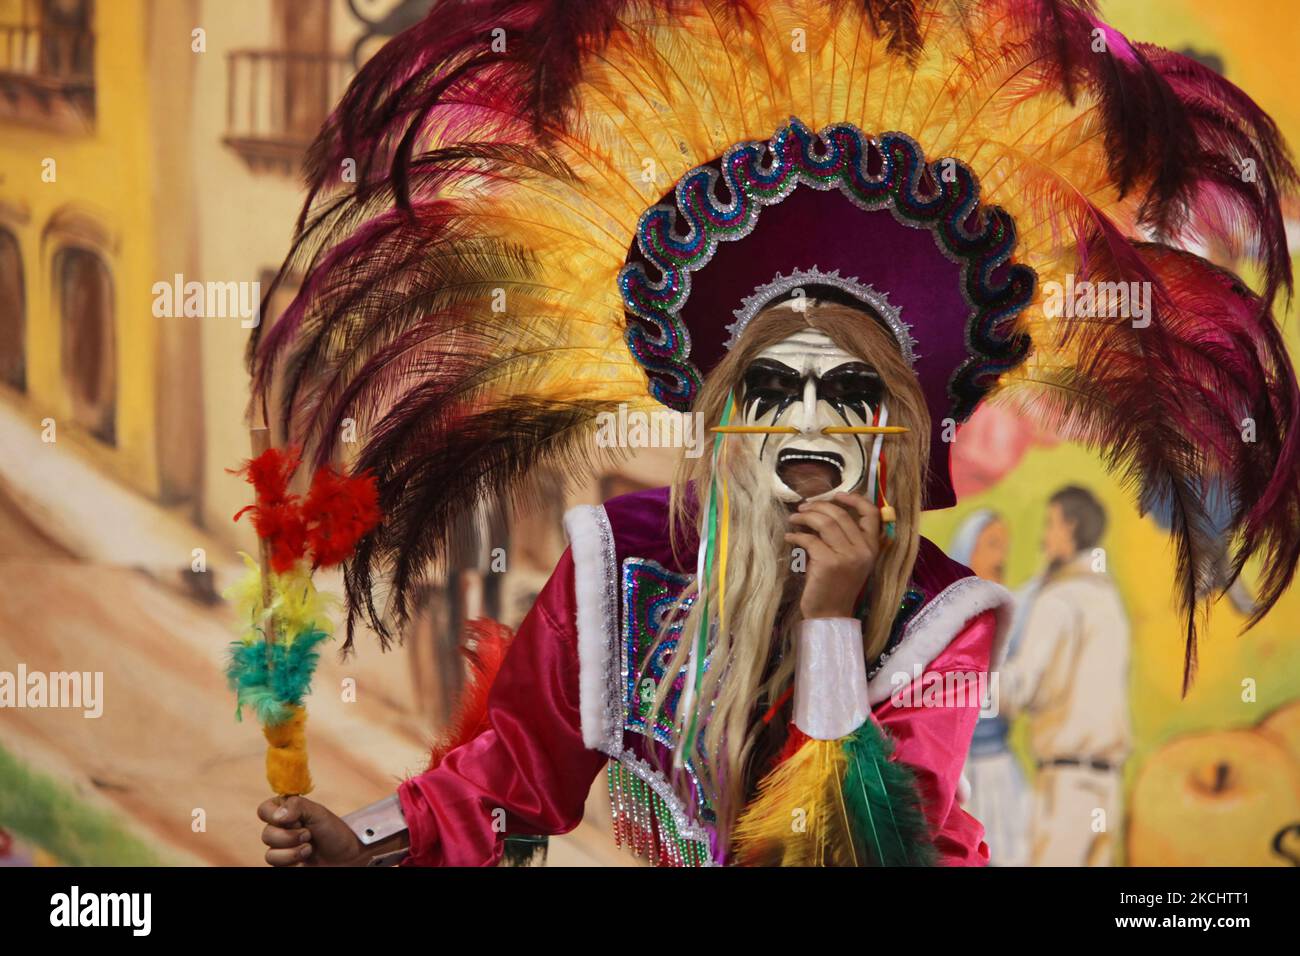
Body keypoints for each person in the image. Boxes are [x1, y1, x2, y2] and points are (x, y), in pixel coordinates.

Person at [243, 0, 1300, 866]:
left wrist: (833, 624)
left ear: (893, 435)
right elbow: (514, 772)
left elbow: (847, 851)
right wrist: (363, 839)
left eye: (848, 391)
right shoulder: (629, 563)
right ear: (722, 422)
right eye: (771, 388)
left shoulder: (940, 615)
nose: (806, 418)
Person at [1002, 487, 1129, 866]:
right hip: (1107, 785)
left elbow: (1022, 687)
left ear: (1070, 527)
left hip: (1067, 787)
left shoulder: (1058, 601)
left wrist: (965, 677)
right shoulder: (1108, 600)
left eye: (1051, 524)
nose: (1045, 537)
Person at [951, 510, 1030, 866]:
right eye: (992, 544)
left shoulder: (1009, 616)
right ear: (969, 551)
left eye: (1005, 546)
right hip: (957, 768)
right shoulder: (943, 620)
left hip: (998, 768)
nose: (1002, 556)